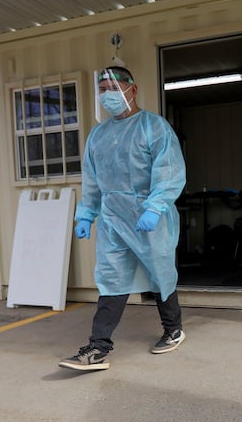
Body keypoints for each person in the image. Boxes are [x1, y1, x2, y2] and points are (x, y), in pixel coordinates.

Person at [59, 66, 186, 371]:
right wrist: (86, 215)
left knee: (159, 271)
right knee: (111, 278)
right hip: (112, 219)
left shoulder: (153, 127)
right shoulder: (98, 135)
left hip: (148, 216)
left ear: (133, 89)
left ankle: (174, 330)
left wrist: (155, 207)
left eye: (114, 88)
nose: (108, 95)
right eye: (102, 89)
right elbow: (92, 180)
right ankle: (98, 347)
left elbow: (168, 170)